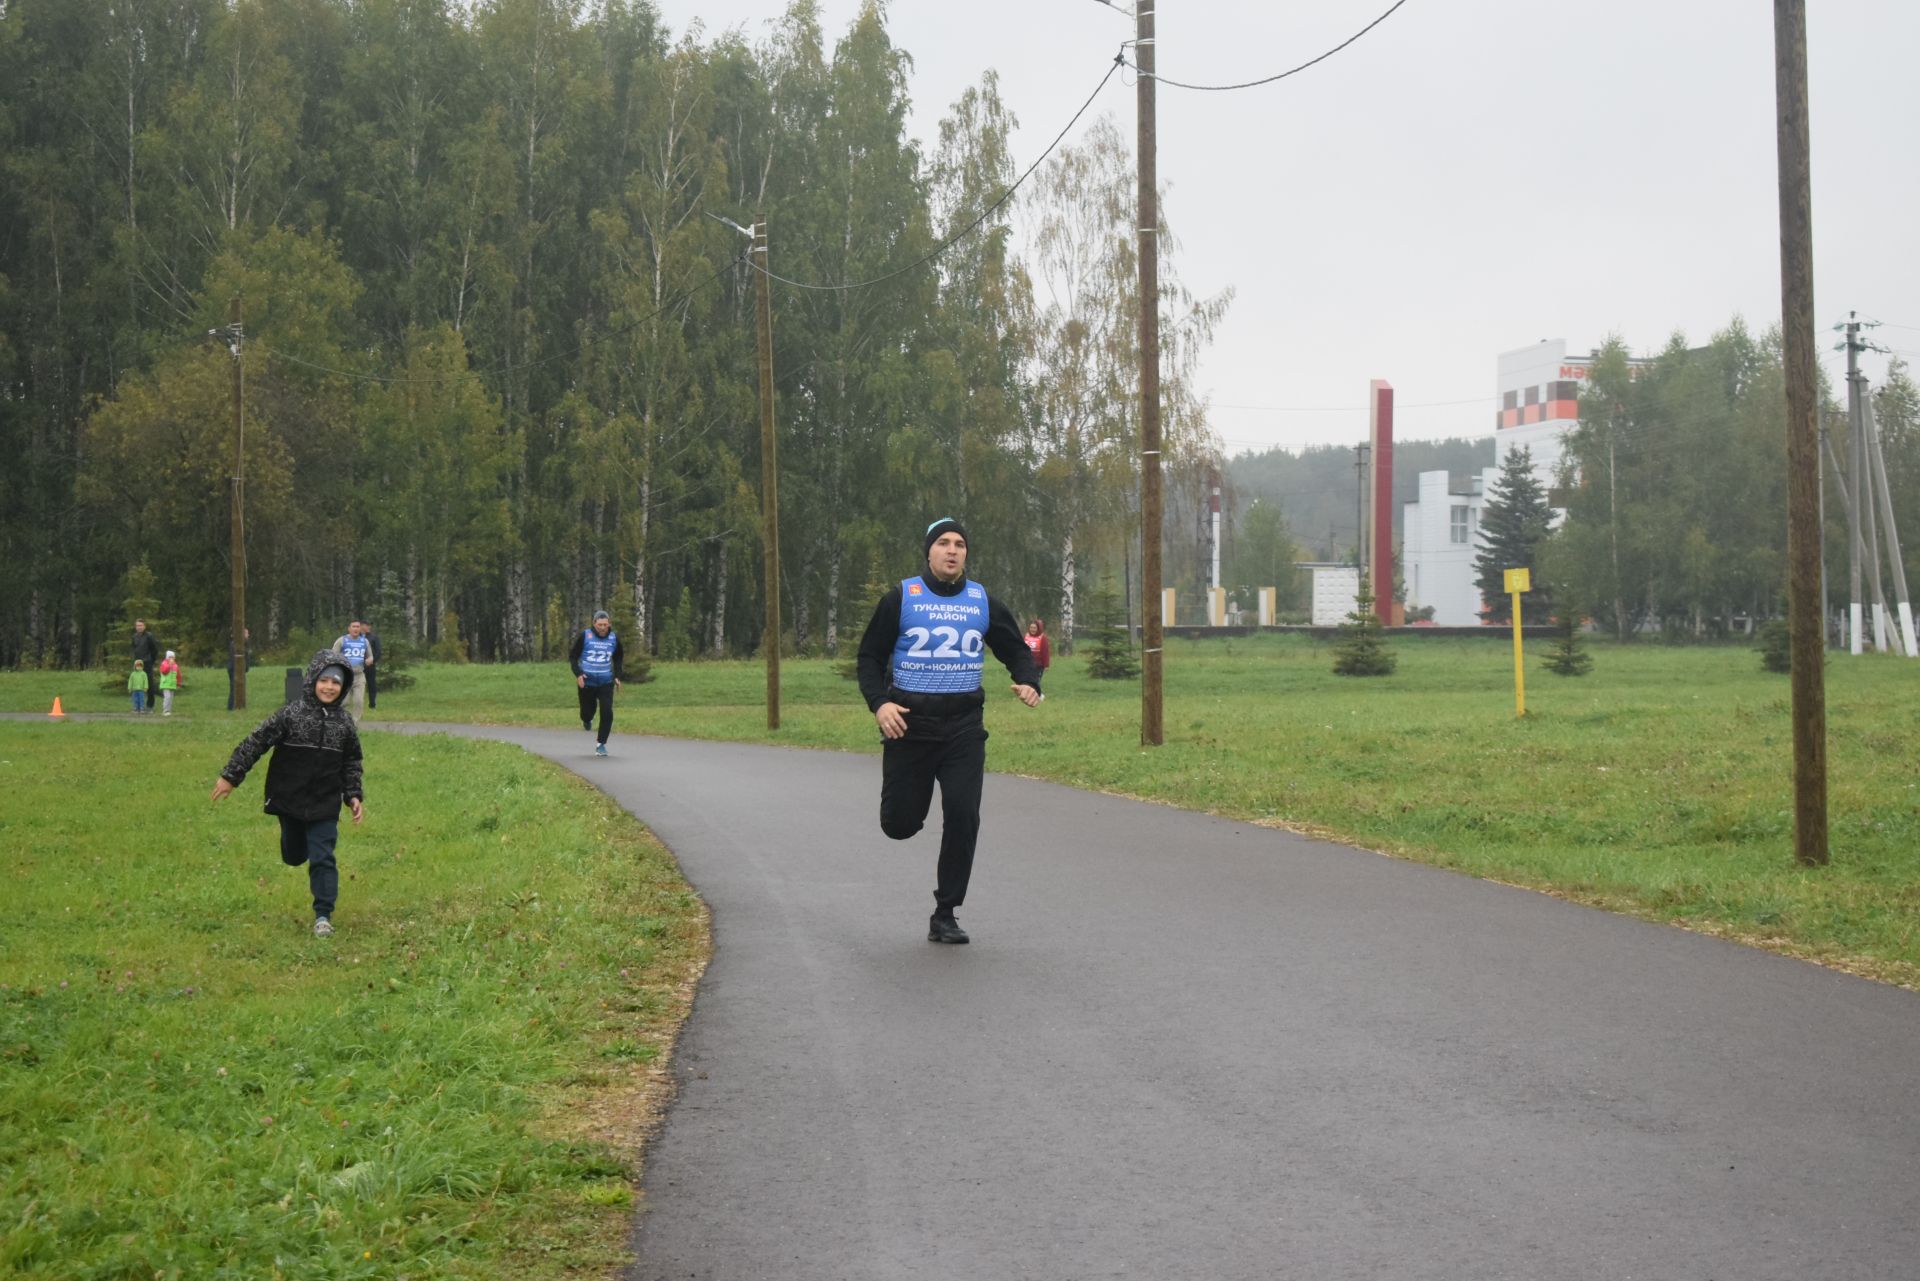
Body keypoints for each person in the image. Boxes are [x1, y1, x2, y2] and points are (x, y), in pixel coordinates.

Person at [856, 517, 1043, 944]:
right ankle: (905, 812)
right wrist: (880, 703)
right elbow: (869, 657)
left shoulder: (982, 602)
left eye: (960, 544)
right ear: (929, 551)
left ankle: (945, 912)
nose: (952, 550)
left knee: (963, 815)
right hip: (909, 727)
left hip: (963, 729)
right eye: (943, 543)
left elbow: (1015, 650)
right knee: (900, 824)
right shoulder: (901, 598)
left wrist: (1029, 682)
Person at [211, 650, 365, 938]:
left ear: (343, 688)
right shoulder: (291, 714)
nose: (329, 687)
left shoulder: (344, 724)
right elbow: (256, 742)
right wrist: (231, 776)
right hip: (289, 799)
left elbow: (352, 761)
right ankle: (295, 842)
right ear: (313, 680)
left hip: (324, 802)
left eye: (336, 683)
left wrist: (353, 794)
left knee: (323, 857)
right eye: (325, 680)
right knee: (294, 856)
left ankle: (323, 916)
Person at [568, 610, 624, 757]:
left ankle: (601, 744)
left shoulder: (613, 638)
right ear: (594, 624)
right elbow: (573, 657)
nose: (602, 628)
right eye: (600, 625)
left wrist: (617, 676)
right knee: (587, 712)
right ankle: (587, 720)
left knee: (607, 712)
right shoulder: (585, 636)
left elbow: (618, 658)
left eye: (605, 624)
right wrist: (578, 674)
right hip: (587, 682)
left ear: (609, 624)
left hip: (606, 682)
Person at [331, 620, 373, 723]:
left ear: (360, 629)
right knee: (344, 702)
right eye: (353, 626)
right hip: (345, 675)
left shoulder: (364, 641)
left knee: (359, 701)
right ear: (349, 629)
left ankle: (354, 723)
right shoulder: (342, 640)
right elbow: (332, 656)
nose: (356, 629)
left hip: (359, 675)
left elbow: (370, 656)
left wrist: (369, 660)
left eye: (358, 627)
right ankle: (339, 719)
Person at [131, 619, 160, 714]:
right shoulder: (134, 636)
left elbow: (155, 649)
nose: (139, 627)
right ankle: (138, 706)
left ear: (144, 626)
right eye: (137, 625)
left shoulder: (149, 636)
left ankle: (150, 706)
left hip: (147, 663)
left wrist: (151, 660)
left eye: (140, 625)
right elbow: (134, 649)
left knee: (149, 684)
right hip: (137, 664)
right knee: (137, 685)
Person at [227, 628, 251, 711]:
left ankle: (238, 706)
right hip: (235, 669)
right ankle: (231, 707)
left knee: (238, 687)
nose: (248, 635)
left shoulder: (242, 644)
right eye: (246, 633)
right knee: (234, 688)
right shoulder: (236, 644)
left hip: (238, 669)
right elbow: (237, 658)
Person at [363, 625, 382, 709]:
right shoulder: (357, 638)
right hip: (359, 665)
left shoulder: (374, 637)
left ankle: (372, 704)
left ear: (368, 627)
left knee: (371, 684)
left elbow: (378, 651)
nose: (362, 628)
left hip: (370, 665)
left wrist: (372, 661)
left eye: (364, 626)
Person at [158, 650, 181, 716]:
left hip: (172, 685)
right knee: (167, 697)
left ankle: (169, 711)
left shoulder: (176, 665)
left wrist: (178, 683)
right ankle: (165, 711)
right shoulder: (163, 664)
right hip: (165, 684)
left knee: (170, 698)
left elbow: (178, 675)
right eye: (170, 657)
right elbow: (164, 672)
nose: (172, 659)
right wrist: (169, 665)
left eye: (173, 657)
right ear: (167, 657)